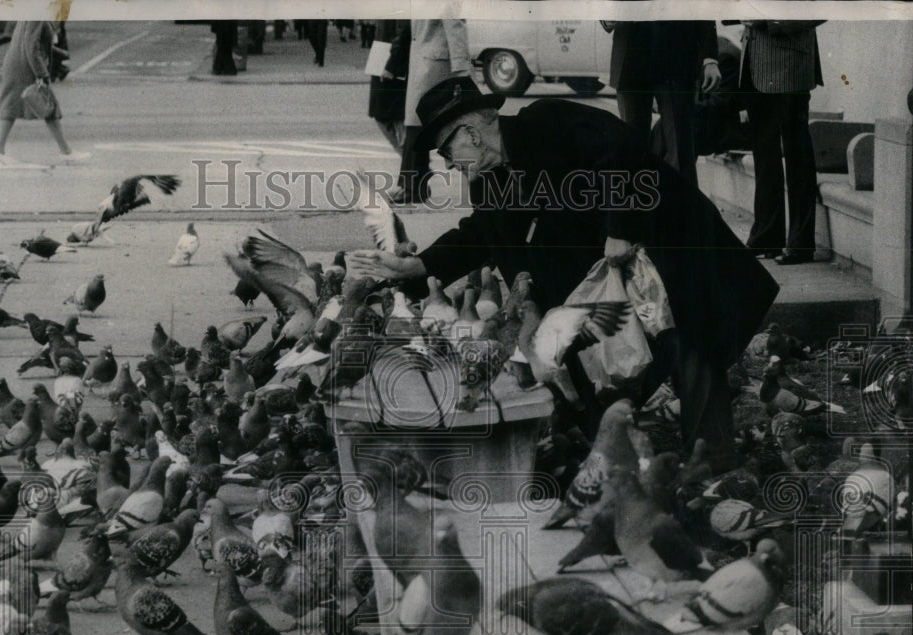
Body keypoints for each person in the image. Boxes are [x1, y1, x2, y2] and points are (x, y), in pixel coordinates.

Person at [349, 76, 780, 470]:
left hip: (668, 244)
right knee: (581, 359)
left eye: (445, 152)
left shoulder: (548, 120)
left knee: (690, 342)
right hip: (606, 282)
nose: (447, 163)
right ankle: (614, 465)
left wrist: (619, 229)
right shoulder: (488, 180)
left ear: (472, 133)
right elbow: (482, 233)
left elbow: (623, 150)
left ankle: (715, 465)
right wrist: (419, 265)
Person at [739, 20, 824, 265]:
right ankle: (766, 236)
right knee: (764, 154)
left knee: (796, 153)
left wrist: (769, 22)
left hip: (790, 63)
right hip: (754, 59)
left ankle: (801, 243)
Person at [604, 21, 721, 186]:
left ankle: (682, 210)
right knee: (632, 150)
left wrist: (709, 58)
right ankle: (636, 208)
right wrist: (607, 15)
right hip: (631, 58)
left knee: (680, 152)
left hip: (676, 56)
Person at [391, 19, 471, 204]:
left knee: (422, 127)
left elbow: (455, 24)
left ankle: (414, 186)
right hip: (425, 61)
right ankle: (413, 185)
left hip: (436, 65)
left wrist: (461, 68)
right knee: (418, 127)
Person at [0, 20, 89, 165]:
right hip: (25, 67)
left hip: (19, 64)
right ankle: (66, 151)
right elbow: (32, 48)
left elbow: (31, 42)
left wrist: (59, 53)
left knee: (12, 107)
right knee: (47, 104)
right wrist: (43, 74)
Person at [368, 20, 410, 155]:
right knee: (386, 115)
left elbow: (402, 32)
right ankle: (409, 161)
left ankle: (410, 162)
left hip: (390, 58)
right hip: (382, 54)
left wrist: (392, 66)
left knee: (393, 115)